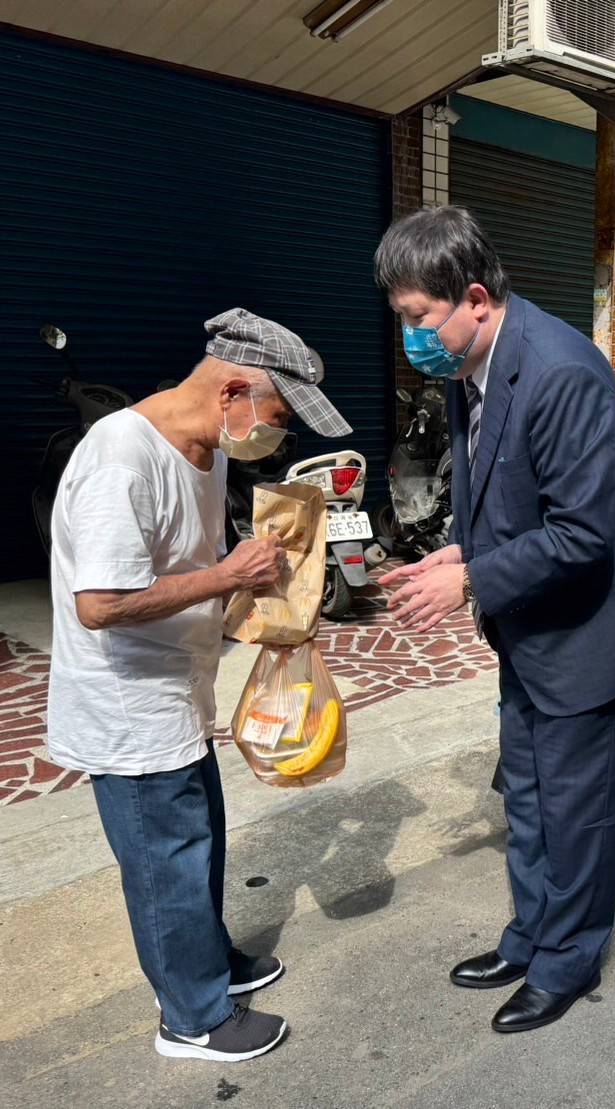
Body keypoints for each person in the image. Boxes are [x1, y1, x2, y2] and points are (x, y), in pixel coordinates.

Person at [375, 207, 615, 1033]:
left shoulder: (561, 373)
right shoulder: (470, 366)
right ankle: (530, 934)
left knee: (578, 814)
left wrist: (472, 579)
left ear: (473, 297)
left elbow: (581, 534)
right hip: (531, 630)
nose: (411, 337)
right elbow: (500, 493)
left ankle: (568, 962)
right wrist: (456, 551)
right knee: (530, 798)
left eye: (417, 319)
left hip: (592, 635)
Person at [46, 308, 352, 1062]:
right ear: (233, 391)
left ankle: (206, 960)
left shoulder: (209, 454)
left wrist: (274, 605)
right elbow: (100, 604)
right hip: (127, 705)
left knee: (199, 840)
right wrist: (226, 575)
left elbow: (197, 569)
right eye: (277, 416)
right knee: (165, 859)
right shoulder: (122, 457)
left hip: (178, 694)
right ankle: (191, 1017)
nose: (275, 433)